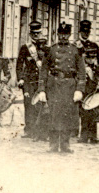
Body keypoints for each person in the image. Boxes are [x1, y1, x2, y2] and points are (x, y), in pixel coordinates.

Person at [37, 23, 86, 154]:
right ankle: (53, 144)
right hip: (54, 85)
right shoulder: (51, 50)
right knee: (53, 114)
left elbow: (82, 72)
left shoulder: (76, 50)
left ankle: (65, 144)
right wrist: (41, 89)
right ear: (57, 34)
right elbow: (43, 71)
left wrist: (79, 89)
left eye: (66, 35)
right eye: (61, 34)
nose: (63, 37)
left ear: (69, 35)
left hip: (70, 86)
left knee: (67, 115)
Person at [16, 20, 47, 139]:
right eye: (33, 34)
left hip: (42, 81)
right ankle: (29, 130)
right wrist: (20, 79)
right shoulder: (25, 48)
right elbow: (19, 64)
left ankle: (40, 131)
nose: (36, 36)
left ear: (40, 33)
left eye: (37, 33)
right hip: (29, 81)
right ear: (30, 34)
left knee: (41, 105)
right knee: (28, 105)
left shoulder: (45, 46)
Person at [76, 19, 99, 143]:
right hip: (82, 82)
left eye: (87, 32)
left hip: (93, 82)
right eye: (84, 31)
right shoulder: (75, 46)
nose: (86, 34)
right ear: (80, 31)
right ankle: (83, 135)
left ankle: (93, 135)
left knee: (93, 108)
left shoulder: (94, 46)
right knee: (83, 109)